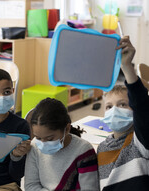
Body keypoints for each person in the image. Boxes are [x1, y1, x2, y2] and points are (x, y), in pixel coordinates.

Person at [97, 36, 149, 190]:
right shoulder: (102, 147)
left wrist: (126, 67)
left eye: (123, 104)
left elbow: (141, 106)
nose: (115, 110)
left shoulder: (140, 141)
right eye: (109, 107)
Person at [24, 98, 99, 191]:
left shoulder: (83, 150)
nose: (42, 144)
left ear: (67, 129)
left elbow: (90, 188)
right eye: (38, 138)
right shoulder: (35, 145)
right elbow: (30, 186)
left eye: (49, 138)